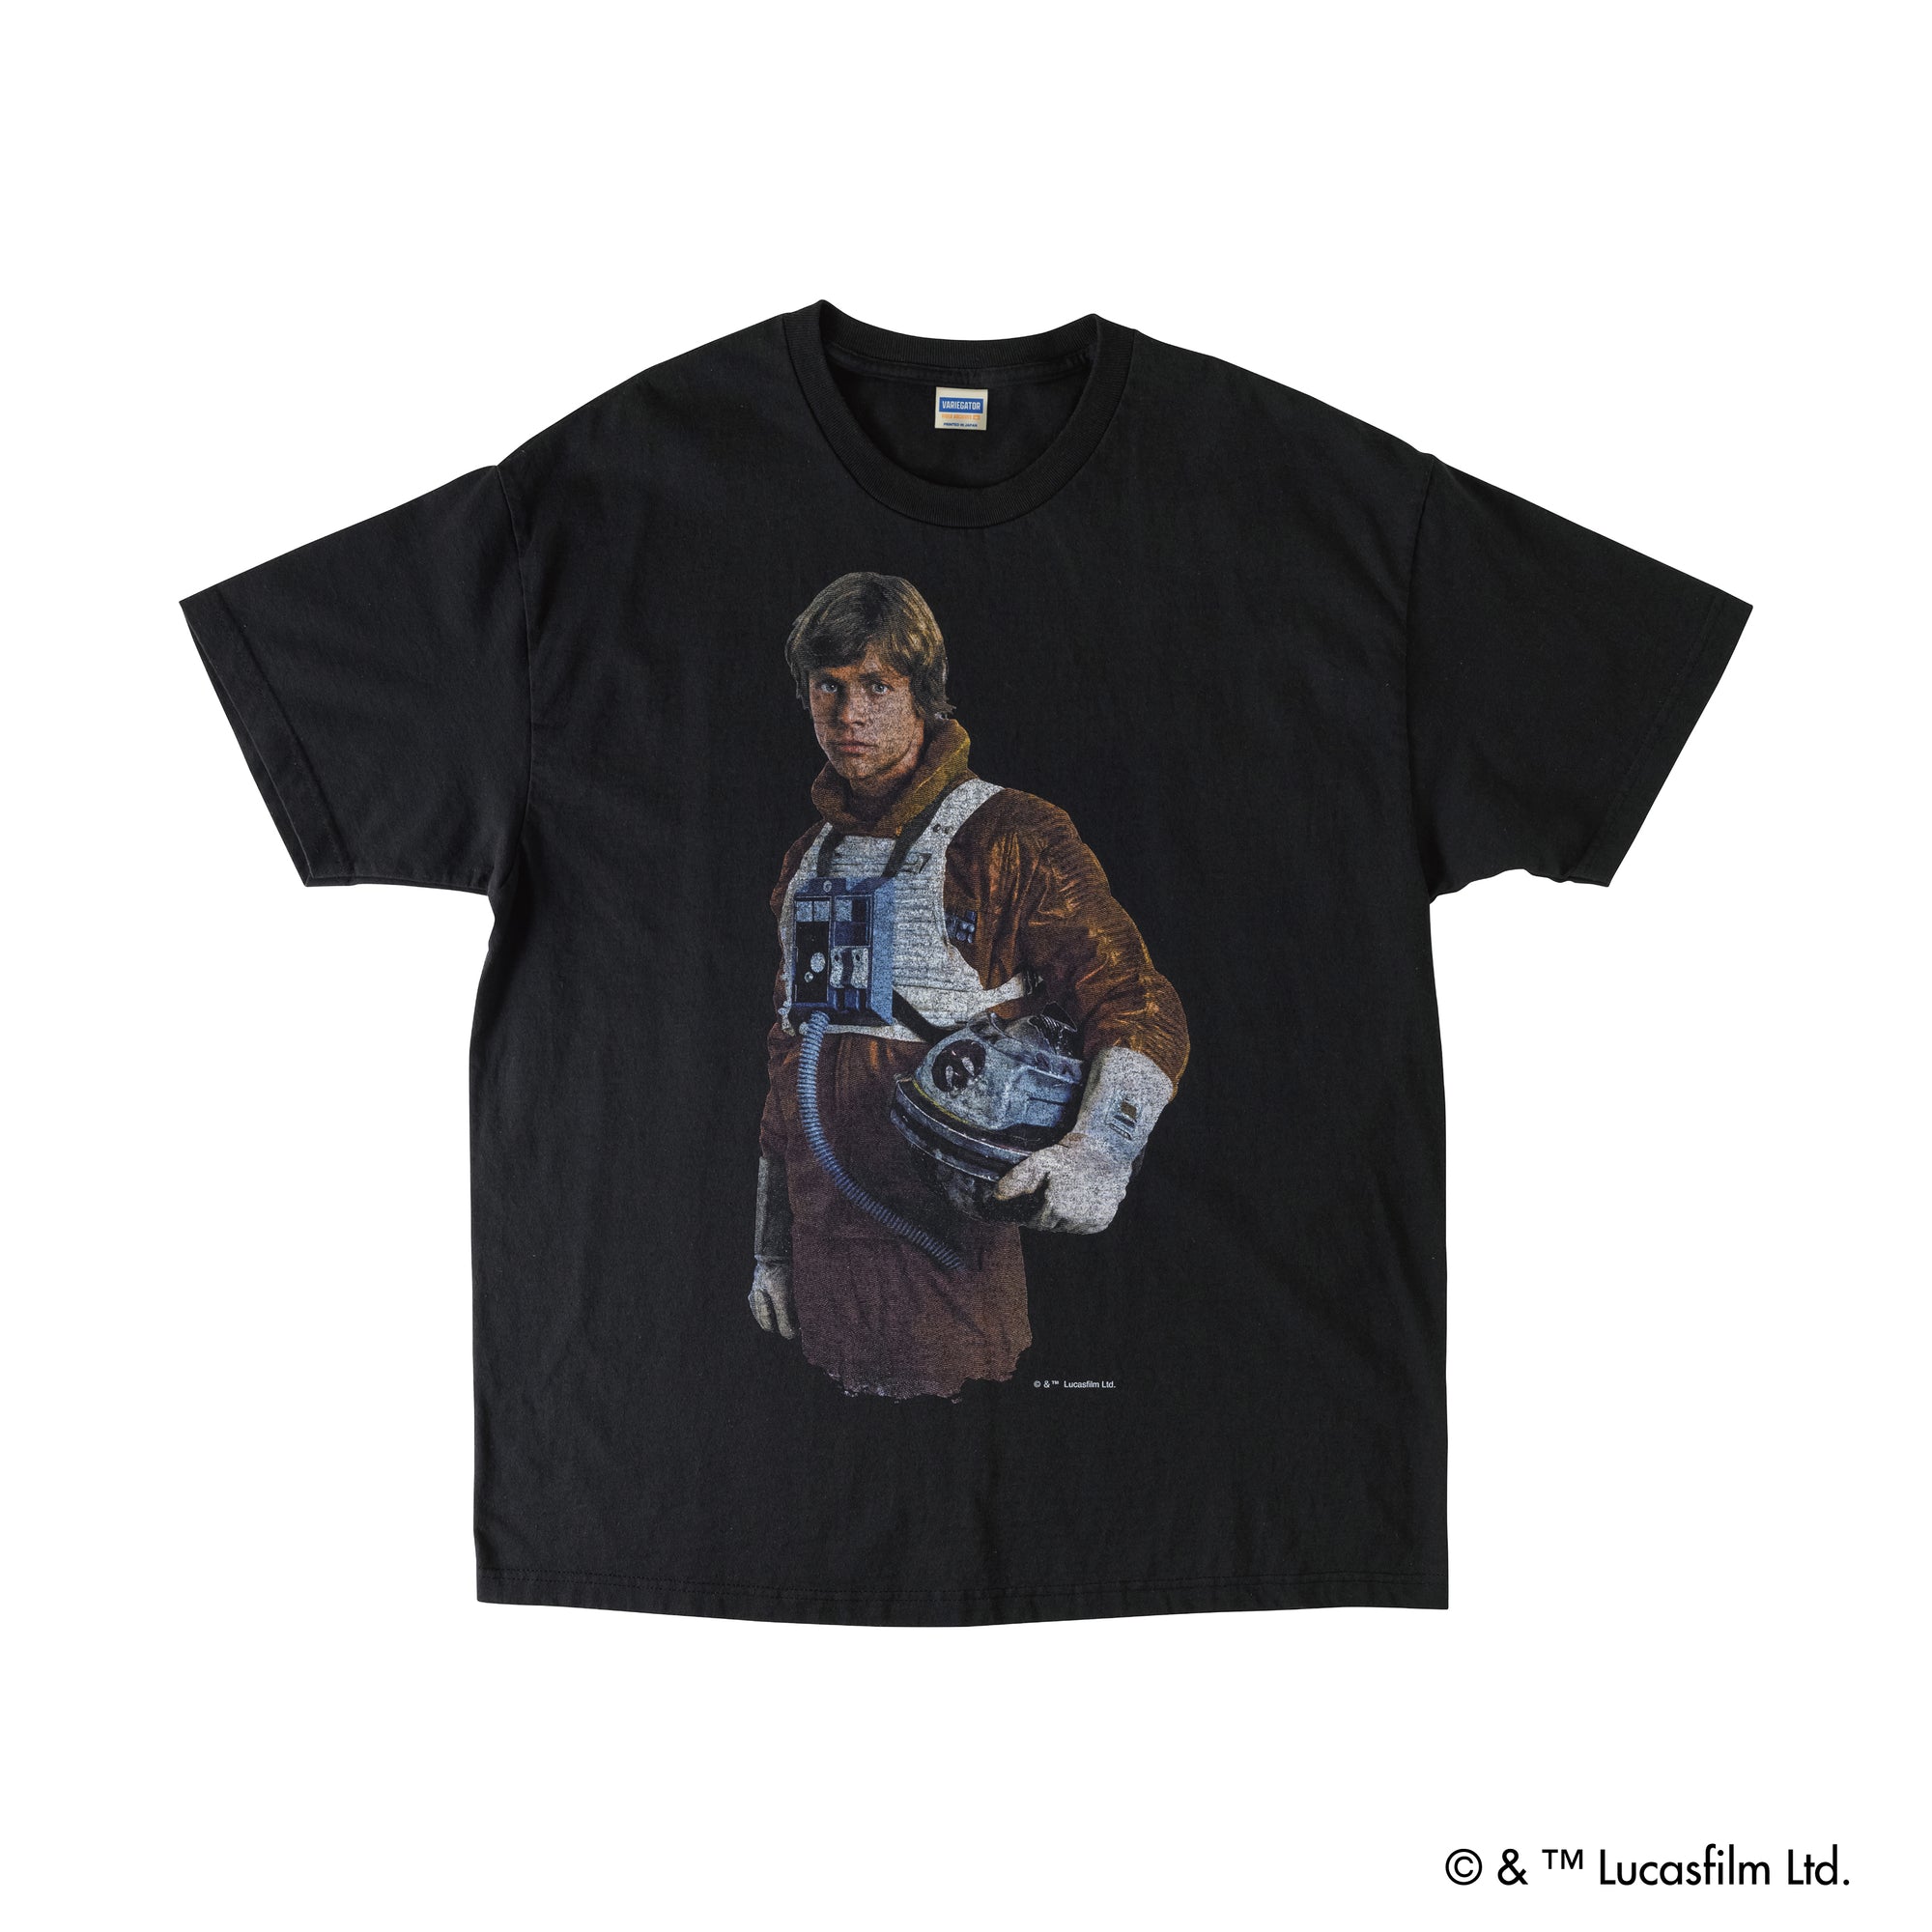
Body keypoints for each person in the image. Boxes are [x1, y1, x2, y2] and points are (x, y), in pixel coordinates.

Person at [751, 572, 1189, 1399]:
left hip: (947, 1253)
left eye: (877, 686)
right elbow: (790, 1058)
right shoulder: (808, 861)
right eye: (828, 687)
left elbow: (1133, 999)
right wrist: (771, 1249)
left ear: (922, 692)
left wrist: (1100, 1150)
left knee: (952, 1436)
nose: (849, 715)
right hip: (822, 1256)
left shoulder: (1008, 836)